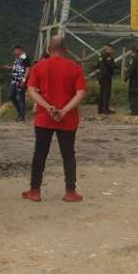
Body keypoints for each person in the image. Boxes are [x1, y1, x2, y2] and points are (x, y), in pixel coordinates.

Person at [22, 35, 86, 203]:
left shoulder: (39, 67)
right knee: (68, 155)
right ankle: (70, 192)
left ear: (49, 49)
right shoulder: (75, 68)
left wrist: (48, 106)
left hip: (44, 118)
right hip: (68, 119)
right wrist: (64, 110)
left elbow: (31, 90)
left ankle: (35, 191)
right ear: (65, 50)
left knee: (40, 153)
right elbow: (80, 93)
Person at [1, 45, 31, 122]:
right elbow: (16, 66)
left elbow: (28, 69)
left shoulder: (25, 57)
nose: (13, 52)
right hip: (14, 80)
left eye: (14, 50)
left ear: (19, 49)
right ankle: (20, 112)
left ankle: (22, 117)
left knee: (21, 98)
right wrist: (9, 67)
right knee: (11, 96)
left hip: (20, 80)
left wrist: (24, 80)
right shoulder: (17, 57)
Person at [124, 46, 138, 116]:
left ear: (133, 52)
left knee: (133, 95)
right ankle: (136, 111)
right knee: (136, 95)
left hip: (134, 80)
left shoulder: (134, 60)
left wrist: (125, 78)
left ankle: (134, 111)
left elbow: (131, 70)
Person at [97, 44, 116, 114]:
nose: (112, 51)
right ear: (106, 49)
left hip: (101, 76)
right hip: (106, 77)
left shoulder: (101, 56)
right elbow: (110, 65)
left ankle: (100, 109)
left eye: (112, 49)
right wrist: (117, 66)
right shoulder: (108, 56)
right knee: (106, 93)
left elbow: (97, 65)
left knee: (102, 93)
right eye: (110, 49)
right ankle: (106, 109)